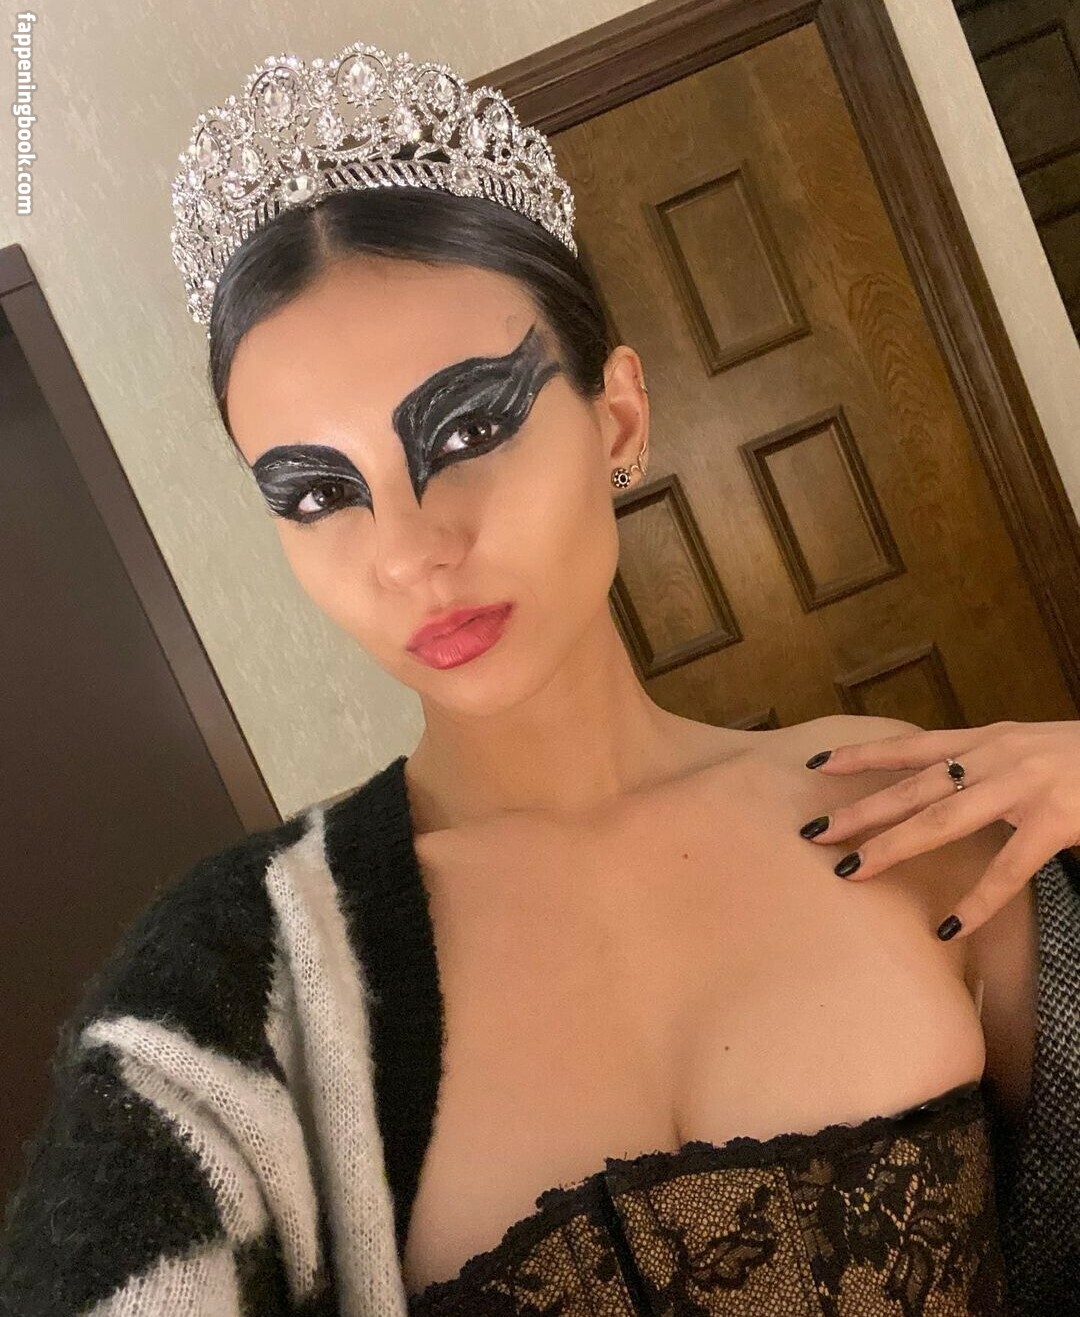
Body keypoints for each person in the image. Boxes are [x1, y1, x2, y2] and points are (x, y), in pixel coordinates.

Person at [1, 39, 1078, 1317]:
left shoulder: (902, 809)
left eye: (466, 427)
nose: (410, 551)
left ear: (617, 417)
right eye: (319, 494)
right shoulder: (241, 979)